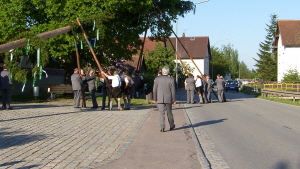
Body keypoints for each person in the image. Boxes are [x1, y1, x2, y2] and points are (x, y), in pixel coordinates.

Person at [153, 66, 176, 132]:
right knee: (169, 112)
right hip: (168, 98)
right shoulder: (171, 79)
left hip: (159, 98)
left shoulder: (157, 79)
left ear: (162, 71)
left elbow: (155, 89)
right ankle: (171, 125)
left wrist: (155, 98)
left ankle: (162, 127)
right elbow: (173, 91)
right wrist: (174, 99)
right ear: (168, 72)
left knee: (161, 113)